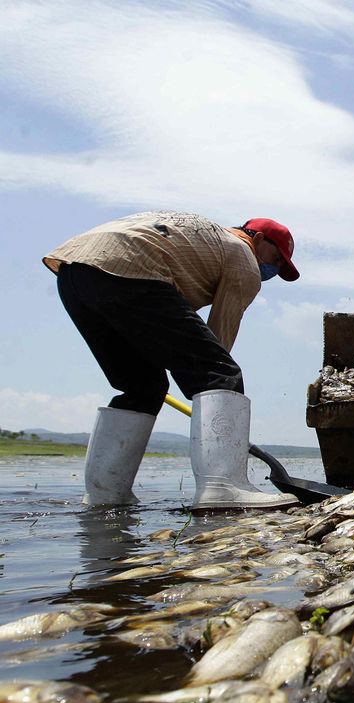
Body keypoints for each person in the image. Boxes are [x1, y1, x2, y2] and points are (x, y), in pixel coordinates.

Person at [44, 210, 303, 511]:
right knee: (220, 372)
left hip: (75, 270)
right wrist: (212, 395)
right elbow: (218, 343)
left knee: (143, 387)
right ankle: (223, 488)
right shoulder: (243, 256)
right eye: (276, 259)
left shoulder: (204, 242)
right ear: (257, 239)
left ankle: (106, 495)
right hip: (131, 268)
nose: (274, 269)